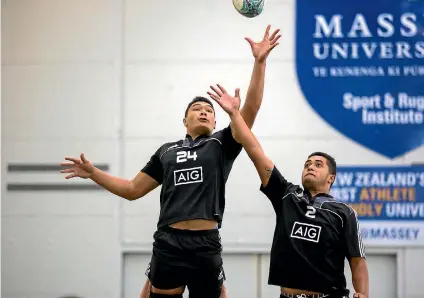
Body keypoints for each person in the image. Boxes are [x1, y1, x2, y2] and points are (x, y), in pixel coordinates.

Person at [60, 25, 281, 298]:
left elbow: (251, 110)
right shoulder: (166, 151)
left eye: (209, 110)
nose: (203, 112)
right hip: (169, 243)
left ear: (215, 121)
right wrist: (94, 173)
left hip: (205, 243)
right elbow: (132, 190)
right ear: (185, 120)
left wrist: (259, 62)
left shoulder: (222, 143)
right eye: (196, 109)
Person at [207, 85, 369, 298]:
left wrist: (363, 293)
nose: (310, 166)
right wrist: (236, 115)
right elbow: (255, 150)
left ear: (332, 178)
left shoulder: (344, 212)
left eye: (318, 164)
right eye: (307, 163)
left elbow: (357, 259)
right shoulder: (287, 195)